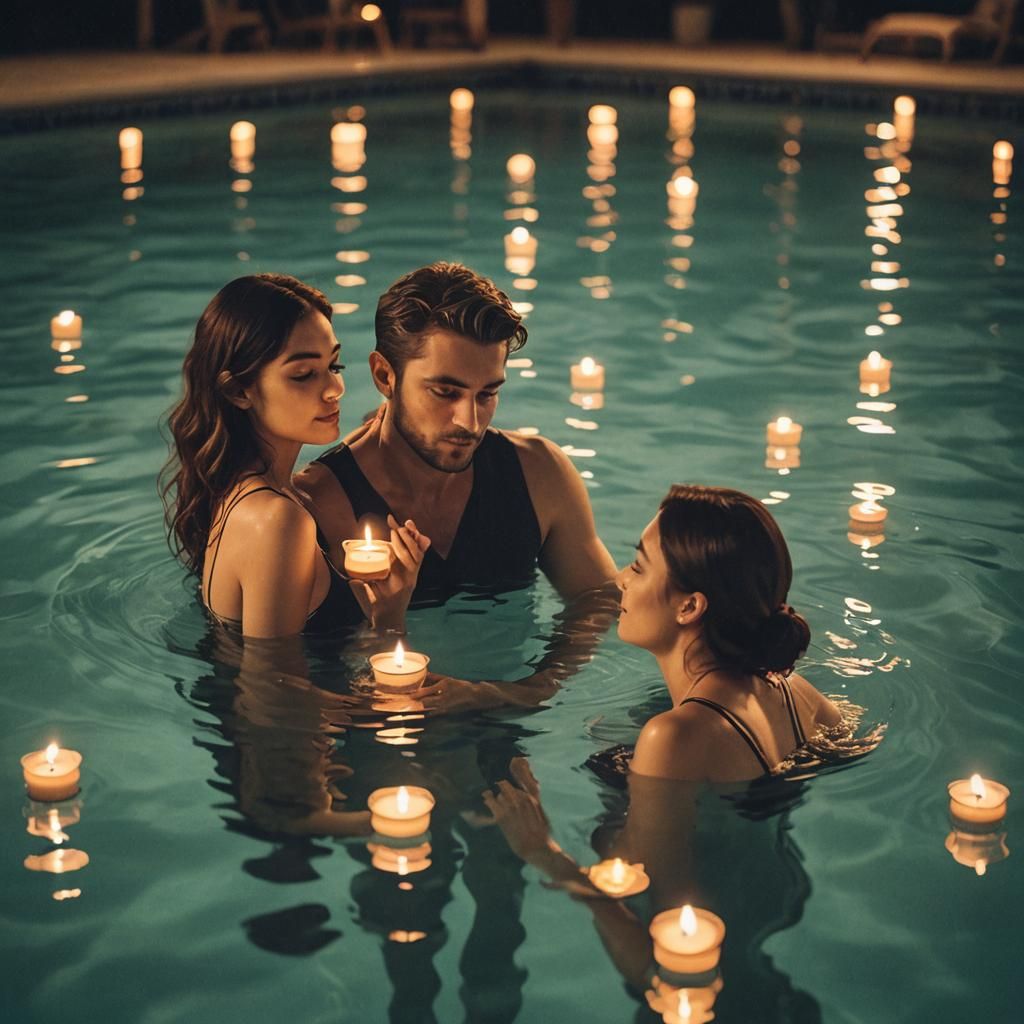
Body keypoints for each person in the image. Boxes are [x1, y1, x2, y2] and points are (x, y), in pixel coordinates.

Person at [296, 260, 616, 608]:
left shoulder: (539, 474)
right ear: (385, 376)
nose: (470, 421)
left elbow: (599, 608)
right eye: (446, 392)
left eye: (487, 393)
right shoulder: (317, 506)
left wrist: (555, 665)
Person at [161, 273, 429, 639]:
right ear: (238, 391)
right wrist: (389, 621)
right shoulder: (278, 522)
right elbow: (271, 694)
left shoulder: (247, 494)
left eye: (334, 366)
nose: (335, 389)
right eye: (304, 375)